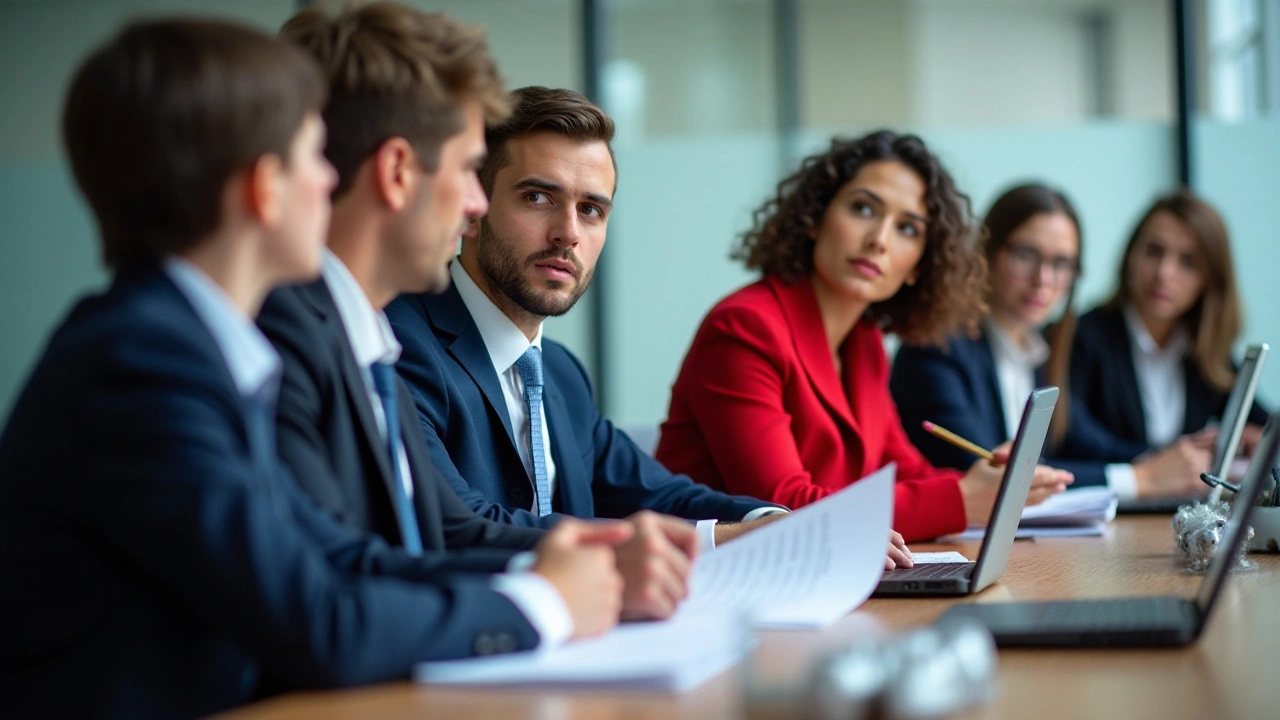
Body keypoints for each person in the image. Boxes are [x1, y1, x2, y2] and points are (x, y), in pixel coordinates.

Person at [0, 19, 626, 718]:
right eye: (313, 158)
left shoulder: (194, 350)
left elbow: (347, 558)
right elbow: (320, 616)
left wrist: (561, 574)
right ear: (266, 189)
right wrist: (544, 603)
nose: (332, 181)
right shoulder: (139, 362)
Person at [261, 3, 690, 620]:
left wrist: (765, 527)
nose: (472, 205)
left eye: (592, 210)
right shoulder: (315, 341)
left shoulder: (361, 342)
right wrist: (549, 601)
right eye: (469, 171)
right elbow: (333, 598)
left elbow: (388, 560)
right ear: (398, 172)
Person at [386, 87, 786, 554]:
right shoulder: (397, 343)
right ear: (472, 209)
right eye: (537, 197)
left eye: (591, 210)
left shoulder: (559, 372)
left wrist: (775, 522)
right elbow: (458, 524)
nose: (569, 234)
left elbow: (657, 493)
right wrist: (716, 541)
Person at [654, 131, 1072, 545]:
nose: (879, 240)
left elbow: (905, 471)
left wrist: (985, 483)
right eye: (863, 208)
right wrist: (962, 499)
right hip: (710, 583)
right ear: (815, 217)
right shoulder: (745, 327)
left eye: (908, 229)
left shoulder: (865, 342)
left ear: (917, 267)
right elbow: (783, 507)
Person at [892, 183, 1213, 500]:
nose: (1043, 280)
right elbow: (992, 474)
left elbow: (1092, 446)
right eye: (1025, 255)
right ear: (987, 254)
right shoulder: (935, 348)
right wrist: (1138, 480)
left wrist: (1185, 459)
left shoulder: (1041, 354)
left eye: (1060, 264)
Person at [1072, 189, 1268, 459]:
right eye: (1154, 251)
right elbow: (1073, 440)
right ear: (1131, 256)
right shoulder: (1082, 336)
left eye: (1188, 262)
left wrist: (1259, 438)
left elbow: (1263, 422)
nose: (1164, 273)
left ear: (1209, 280)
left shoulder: (1204, 347)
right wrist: (1163, 462)